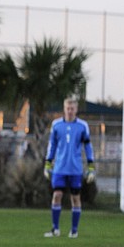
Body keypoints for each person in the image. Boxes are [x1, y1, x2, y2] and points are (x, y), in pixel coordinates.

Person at [43, 98, 95, 238]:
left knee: (75, 198)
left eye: (72, 108)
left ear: (76, 110)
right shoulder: (56, 125)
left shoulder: (82, 126)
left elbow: (88, 147)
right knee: (57, 195)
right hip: (59, 168)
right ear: (64, 109)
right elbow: (52, 145)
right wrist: (48, 163)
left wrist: (91, 167)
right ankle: (55, 229)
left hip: (75, 169)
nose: (70, 111)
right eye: (67, 108)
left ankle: (74, 230)